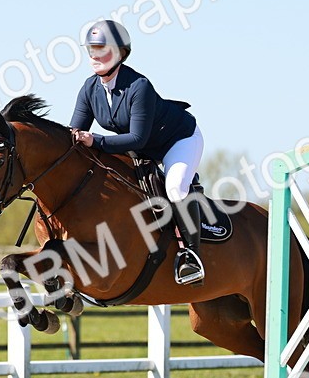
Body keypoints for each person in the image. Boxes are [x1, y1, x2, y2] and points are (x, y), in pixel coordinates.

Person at [70, 20, 207, 285]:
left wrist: (94, 140)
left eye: (101, 48)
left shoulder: (138, 86)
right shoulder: (89, 88)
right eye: (91, 49)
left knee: (176, 187)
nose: (95, 55)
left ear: (120, 53)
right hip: (139, 149)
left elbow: (136, 137)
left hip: (177, 140)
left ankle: (191, 256)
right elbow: (75, 133)